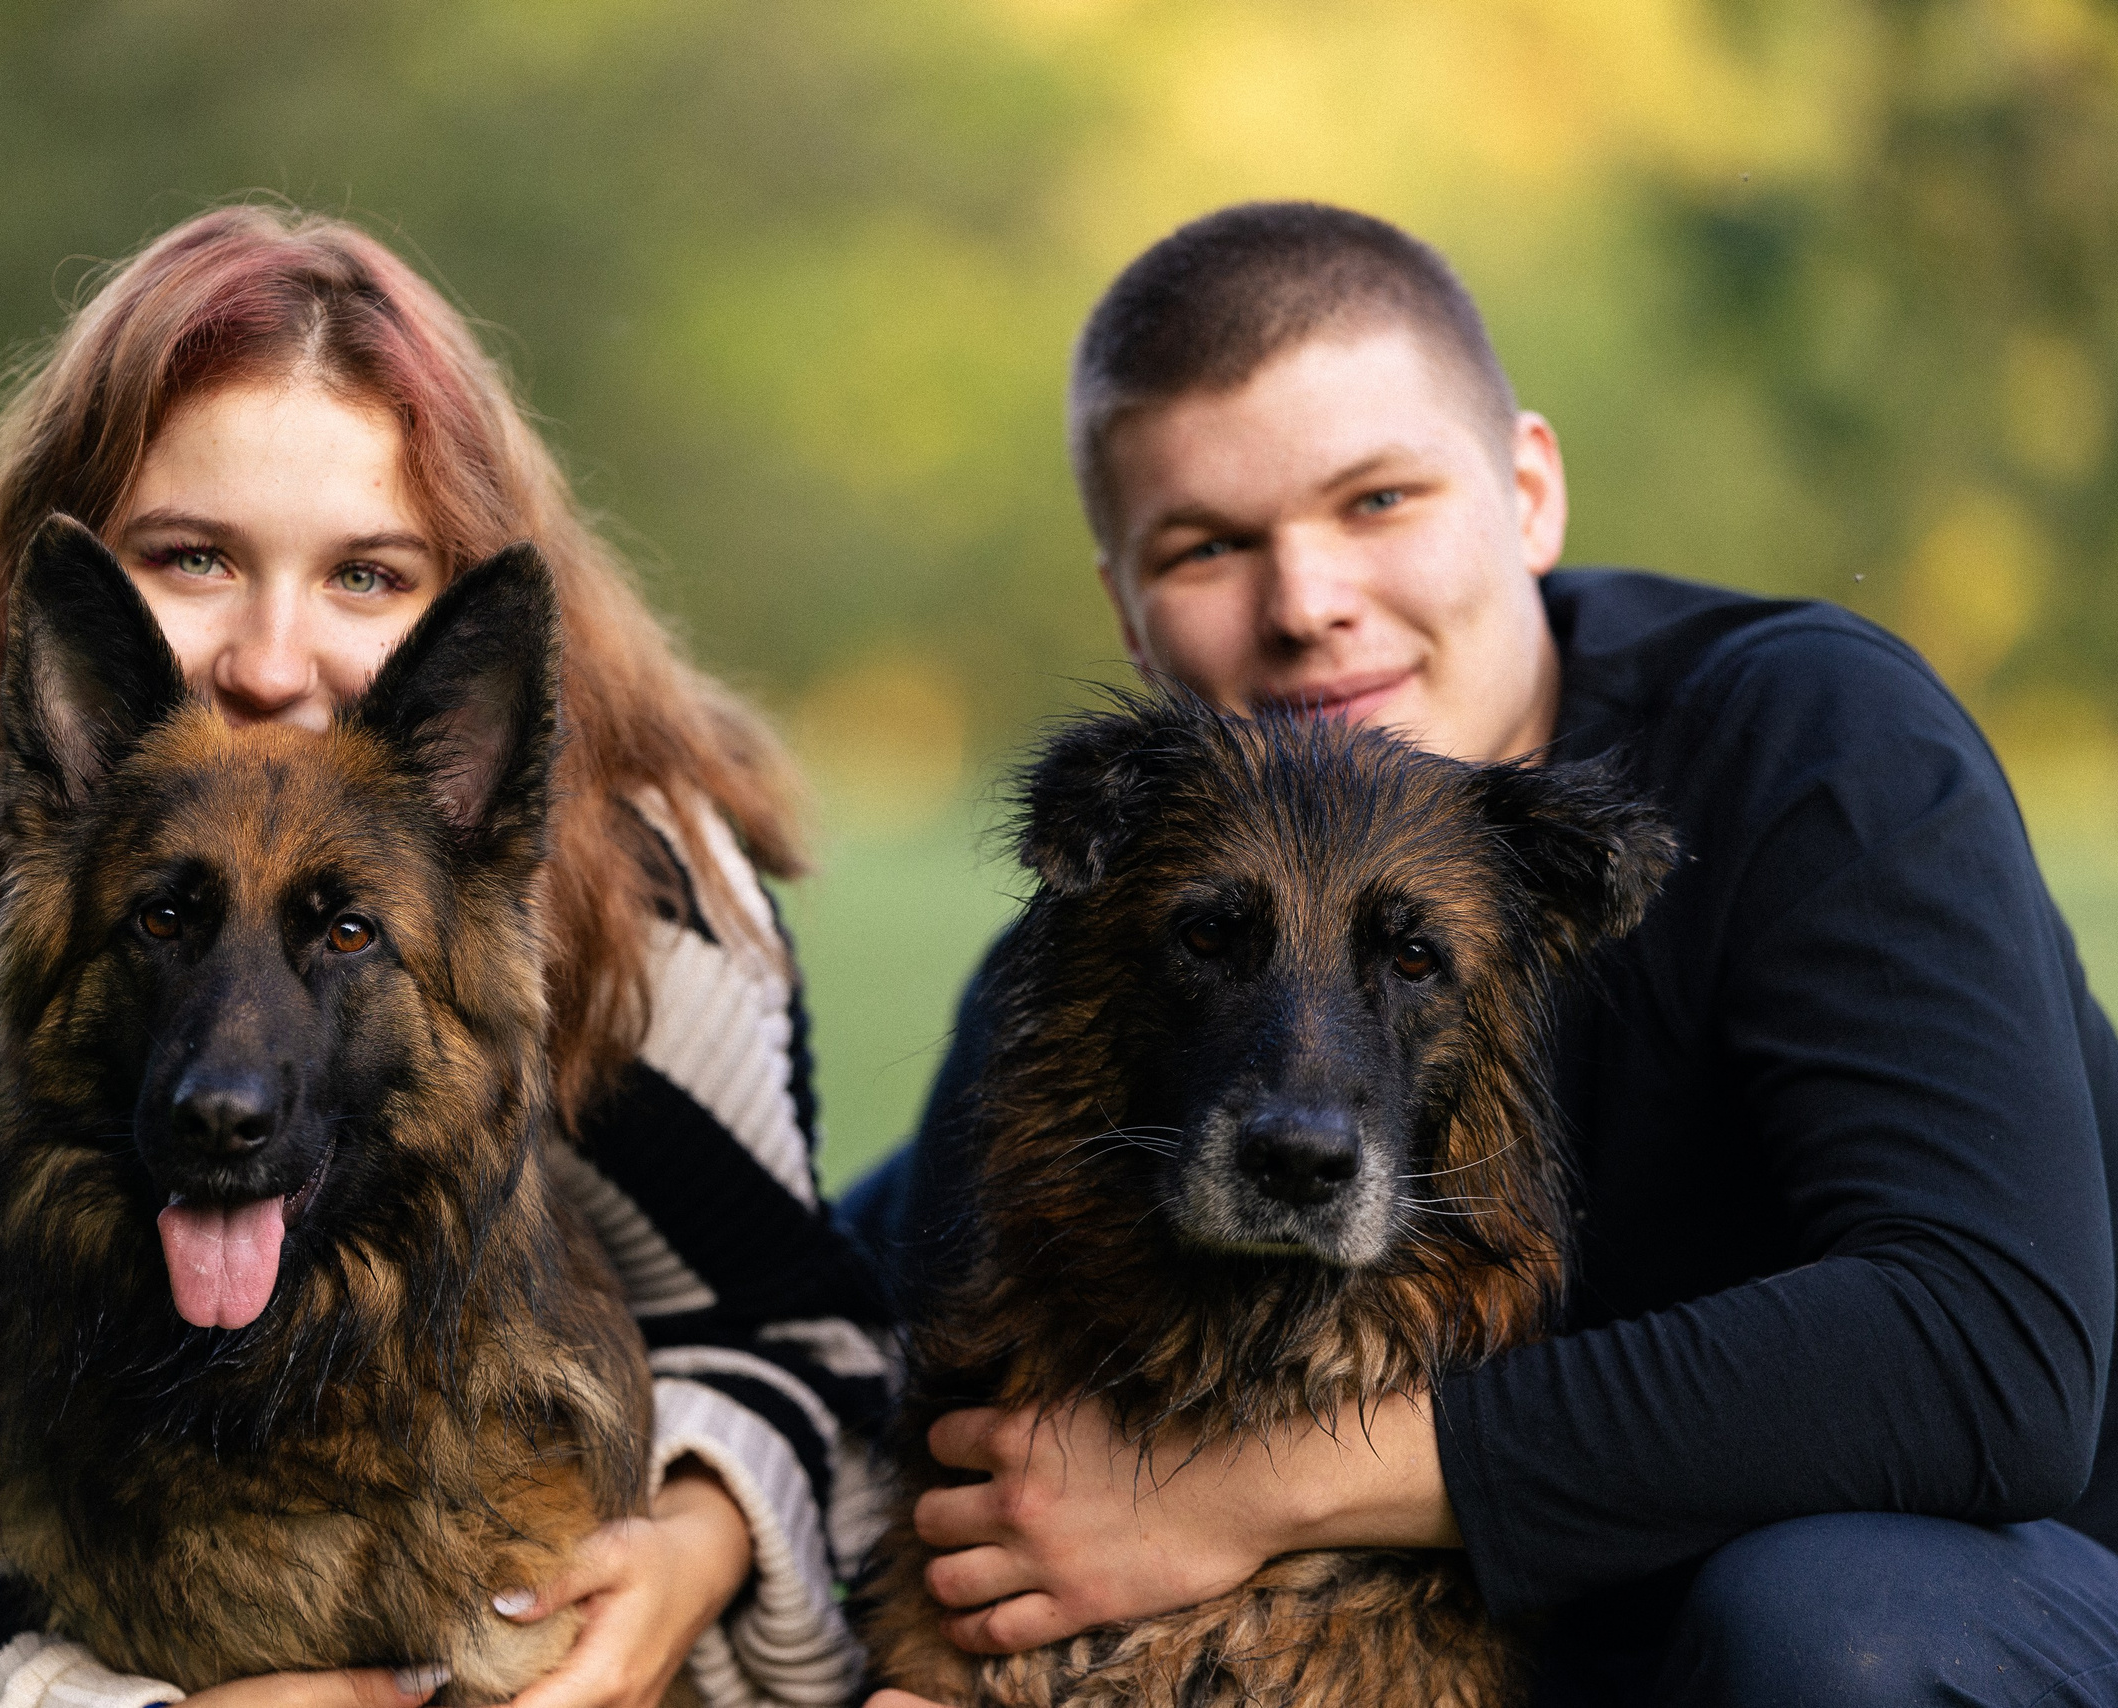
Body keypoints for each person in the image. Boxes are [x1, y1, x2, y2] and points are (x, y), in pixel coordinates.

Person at [0, 205, 893, 1708]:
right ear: (63, 584)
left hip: (465, 1400)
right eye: (193, 556)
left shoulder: (622, 843)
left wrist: (687, 1564)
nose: (272, 661)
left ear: (460, 597)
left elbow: (799, 1325)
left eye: (368, 576)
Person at [844, 202, 2118, 1705]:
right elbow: (871, 1295)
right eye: (1206, 545)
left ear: (1527, 491)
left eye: (1377, 500)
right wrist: (705, 1511)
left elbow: (1985, 1354)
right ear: (1127, 608)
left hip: (1992, 1592)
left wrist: (1252, 1487)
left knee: (1829, 1623)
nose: (1308, 602)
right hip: (1572, 1649)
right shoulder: (1137, 929)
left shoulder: (1809, 750)